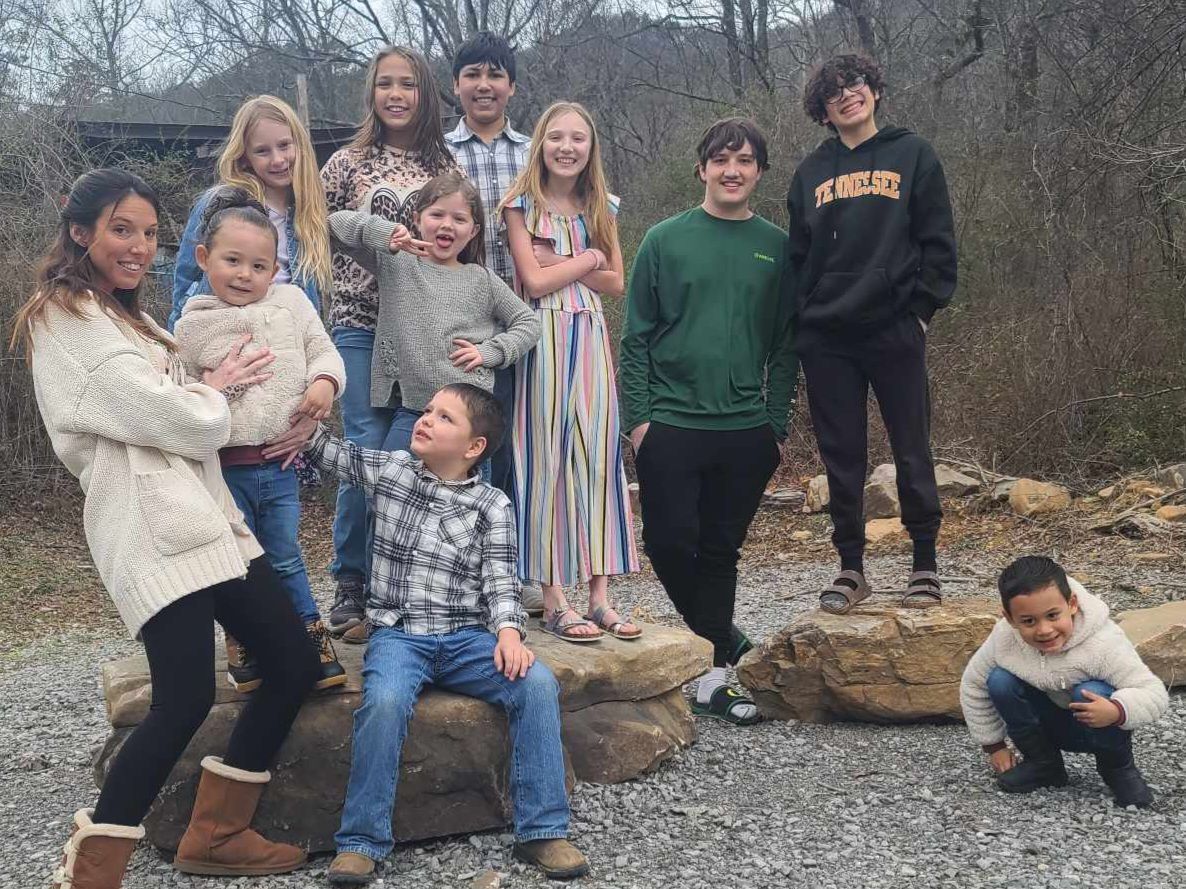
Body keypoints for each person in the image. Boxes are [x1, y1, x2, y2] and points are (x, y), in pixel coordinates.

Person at [12, 169, 319, 887]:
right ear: (79, 229)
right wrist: (211, 393)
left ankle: (217, 832)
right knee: (184, 697)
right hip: (148, 520)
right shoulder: (64, 317)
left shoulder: (133, 319)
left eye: (150, 233)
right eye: (123, 229)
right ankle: (90, 871)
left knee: (293, 661)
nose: (139, 246)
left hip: (209, 520)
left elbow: (181, 406)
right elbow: (174, 417)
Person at [300, 383, 589, 885]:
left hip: (466, 639)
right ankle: (362, 839)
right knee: (385, 701)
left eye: (444, 417)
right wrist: (302, 397)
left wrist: (509, 634)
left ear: (474, 447)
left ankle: (543, 829)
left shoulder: (492, 506)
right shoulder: (392, 473)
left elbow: (501, 580)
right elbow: (330, 452)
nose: (426, 419)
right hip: (399, 635)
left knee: (537, 685)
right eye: (428, 410)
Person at [619, 118, 796, 725]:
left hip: (747, 428)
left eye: (745, 160)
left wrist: (776, 425)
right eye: (721, 159)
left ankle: (715, 675)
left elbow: (786, 342)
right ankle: (722, 639)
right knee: (667, 542)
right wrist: (640, 421)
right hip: (671, 421)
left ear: (759, 172)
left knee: (721, 549)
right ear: (702, 169)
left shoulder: (777, 246)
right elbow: (635, 338)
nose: (732, 170)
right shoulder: (664, 240)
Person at [785, 54, 957, 613]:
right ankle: (851, 568)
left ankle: (924, 564)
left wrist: (920, 313)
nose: (846, 95)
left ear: (874, 90)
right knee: (843, 458)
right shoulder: (811, 172)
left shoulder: (913, 155)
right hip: (827, 338)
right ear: (822, 109)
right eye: (832, 92)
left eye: (854, 84)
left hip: (893, 328)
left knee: (912, 447)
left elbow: (938, 243)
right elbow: (798, 258)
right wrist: (803, 318)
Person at [175, 186, 348, 693]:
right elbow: (181, 393)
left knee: (285, 553)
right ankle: (244, 641)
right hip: (223, 468)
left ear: (275, 269)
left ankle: (311, 638)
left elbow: (324, 350)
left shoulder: (292, 303)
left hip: (279, 464)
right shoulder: (193, 324)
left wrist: (324, 384)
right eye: (232, 261)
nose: (244, 275)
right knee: (235, 562)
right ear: (204, 259)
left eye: (258, 265)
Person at [321, 46, 463, 642]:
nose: (396, 94)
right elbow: (323, 228)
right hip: (358, 320)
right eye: (386, 84)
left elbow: (458, 233)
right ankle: (349, 581)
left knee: (411, 456)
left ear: (424, 94)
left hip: (420, 330)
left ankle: (395, 581)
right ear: (372, 93)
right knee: (364, 445)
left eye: (408, 84)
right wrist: (384, 234)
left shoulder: (443, 160)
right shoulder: (347, 163)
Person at [499, 102, 641, 644]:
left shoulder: (599, 203)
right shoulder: (521, 205)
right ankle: (555, 598)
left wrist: (563, 263)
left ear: (590, 147)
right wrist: (585, 261)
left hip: (591, 338)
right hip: (542, 339)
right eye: (556, 136)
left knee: (598, 456)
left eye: (577, 138)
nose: (566, 146)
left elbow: (617, 282)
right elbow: (533, 284)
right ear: (540, 143)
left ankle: (600, 596)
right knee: (546, 461)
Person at [328, 172, 541, 471]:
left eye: (459, 219)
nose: (446, 225)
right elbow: (334, 227)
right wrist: (386, 233)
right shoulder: (396, 262)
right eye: (437, 214)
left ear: (473, 230)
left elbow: (528, 323)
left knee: (467, 501)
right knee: (390, 487)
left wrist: (489, 352)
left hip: (468, 420)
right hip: (414, 412)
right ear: (417, 219)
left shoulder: (482, 279)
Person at [960, 556, 1168, 808]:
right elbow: (973, 684)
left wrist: (1117, 710)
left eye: (1052, 615)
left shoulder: (1103, 643)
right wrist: (994, 746)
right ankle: (1044, 764)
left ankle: (1117, 769)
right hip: (1046, 726)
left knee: (1090, 691)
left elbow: (1154, 692)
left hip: (1099, 724)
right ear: (1010, 618)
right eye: (1028, 621)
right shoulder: (1005, 637)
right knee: (999, 681)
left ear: (1072, 604)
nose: (1044, 630)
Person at [168, 95, 332, 330]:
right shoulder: (221, 204)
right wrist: (180, 343)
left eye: (284, 145)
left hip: (287, 339)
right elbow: (185, 283)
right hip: (227, 333)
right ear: (245, 157)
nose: (277, 159)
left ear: (300, 144)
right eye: (262, 151)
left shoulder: (309, 215)